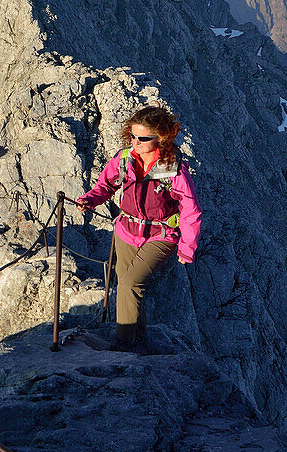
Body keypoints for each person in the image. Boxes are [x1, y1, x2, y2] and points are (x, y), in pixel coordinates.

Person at [74, 105, 201, 349]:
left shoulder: (173, 170)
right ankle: (138, 339)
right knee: (129, 286)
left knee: (130, 284)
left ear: (160, 138)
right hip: (126, 231)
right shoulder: (125, 159)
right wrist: (90, 200)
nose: (136, 142)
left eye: (143, 138)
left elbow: (190, 210)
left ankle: (122, 346)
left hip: (160, 235)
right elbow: (106, 185)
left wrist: (187, 248)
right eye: (132, 136)